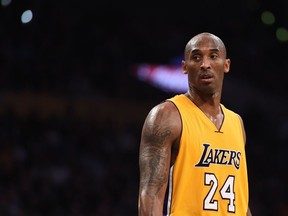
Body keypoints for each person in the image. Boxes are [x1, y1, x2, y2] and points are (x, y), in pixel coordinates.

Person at [138, 32, 252, 216]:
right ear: (185, 67)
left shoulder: (236, 123)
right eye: (196, 57)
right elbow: (150, 195)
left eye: (213, 56)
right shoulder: (167, 115)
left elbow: (241, 201)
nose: (205, 64)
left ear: (226, 65)